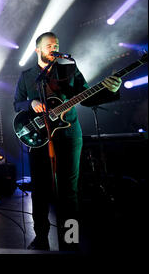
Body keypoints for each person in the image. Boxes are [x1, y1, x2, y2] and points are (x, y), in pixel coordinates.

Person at [13, 32, 122, 251]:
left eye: (56, 45)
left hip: (69, 134)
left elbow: (87, 96)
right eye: (49, 45)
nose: (54, 48)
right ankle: (41, 237)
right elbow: (17, 104)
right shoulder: (28, 76)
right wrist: (31, 103)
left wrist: (110, 91)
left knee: (69, 190)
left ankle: (70, 239)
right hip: (40, 138)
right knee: (40, 189)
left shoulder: (69, 69)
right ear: (38, 50)